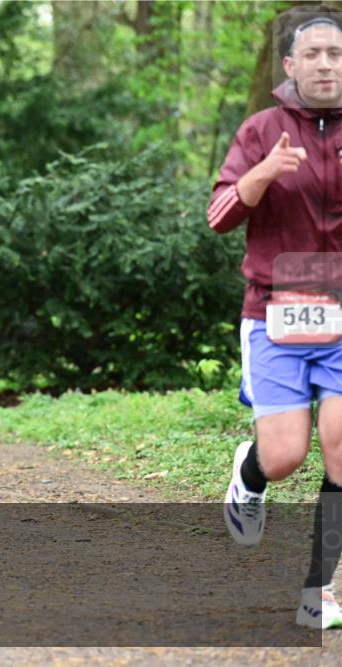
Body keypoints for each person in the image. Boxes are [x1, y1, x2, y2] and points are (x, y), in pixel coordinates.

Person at [209, 9, 342, 630]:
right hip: (275, 315)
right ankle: (251, 471)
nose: (325, 64)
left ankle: (319, 590)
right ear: (290, 65)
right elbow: (219, 217)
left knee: (341, 450)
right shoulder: (262, 129)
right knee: (286, 455)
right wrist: (262, 174)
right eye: (312, 54)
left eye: (335, 55)